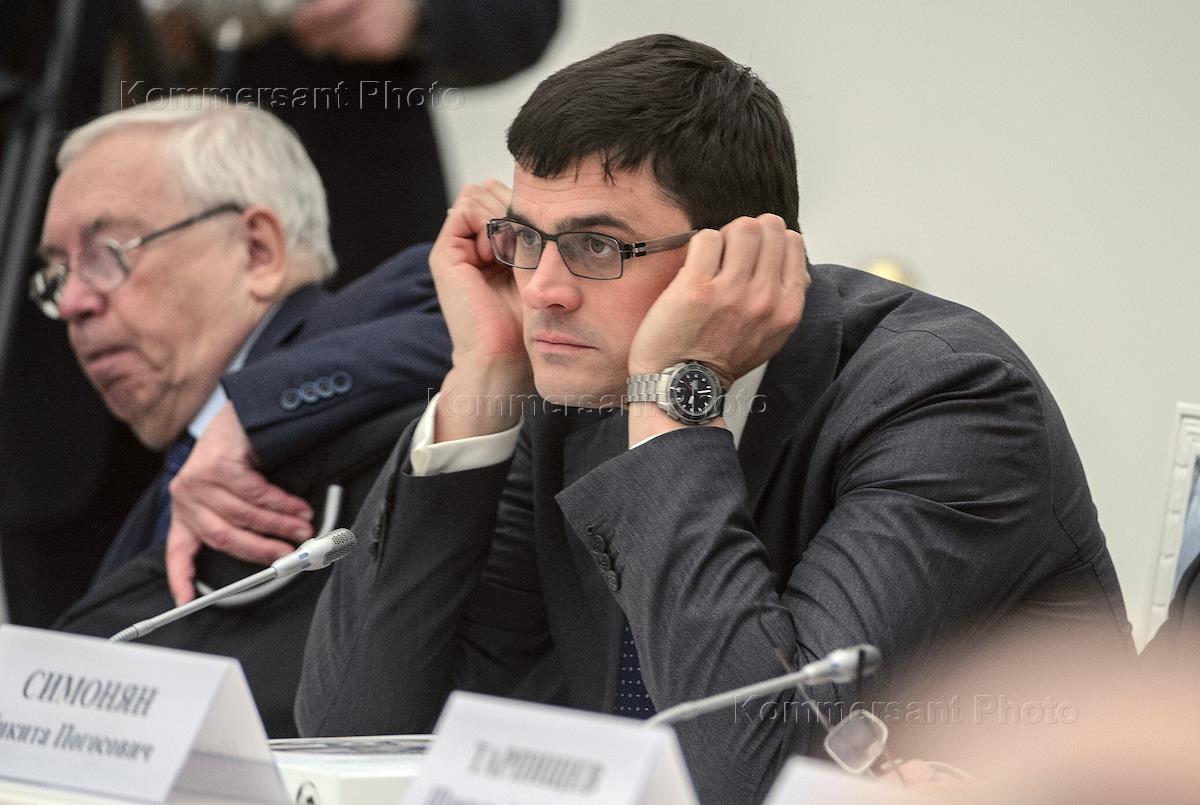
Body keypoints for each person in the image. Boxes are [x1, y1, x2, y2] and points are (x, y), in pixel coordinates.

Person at [173, 35, 1132, 801]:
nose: (542, 289)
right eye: (525, 239)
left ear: (740, 258)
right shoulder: (569, 398)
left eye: (597, 246)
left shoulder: (949, 400)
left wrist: (674, 397)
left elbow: (751, 774)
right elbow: (352, 734)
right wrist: (479, 375)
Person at [34, 98, 450, 736]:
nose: (71, 302)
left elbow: (487, 302)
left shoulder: (368, 349)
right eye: (56, 273)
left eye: (107, 252)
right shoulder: (187, 455)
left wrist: (253, 409)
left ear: (257, 250)